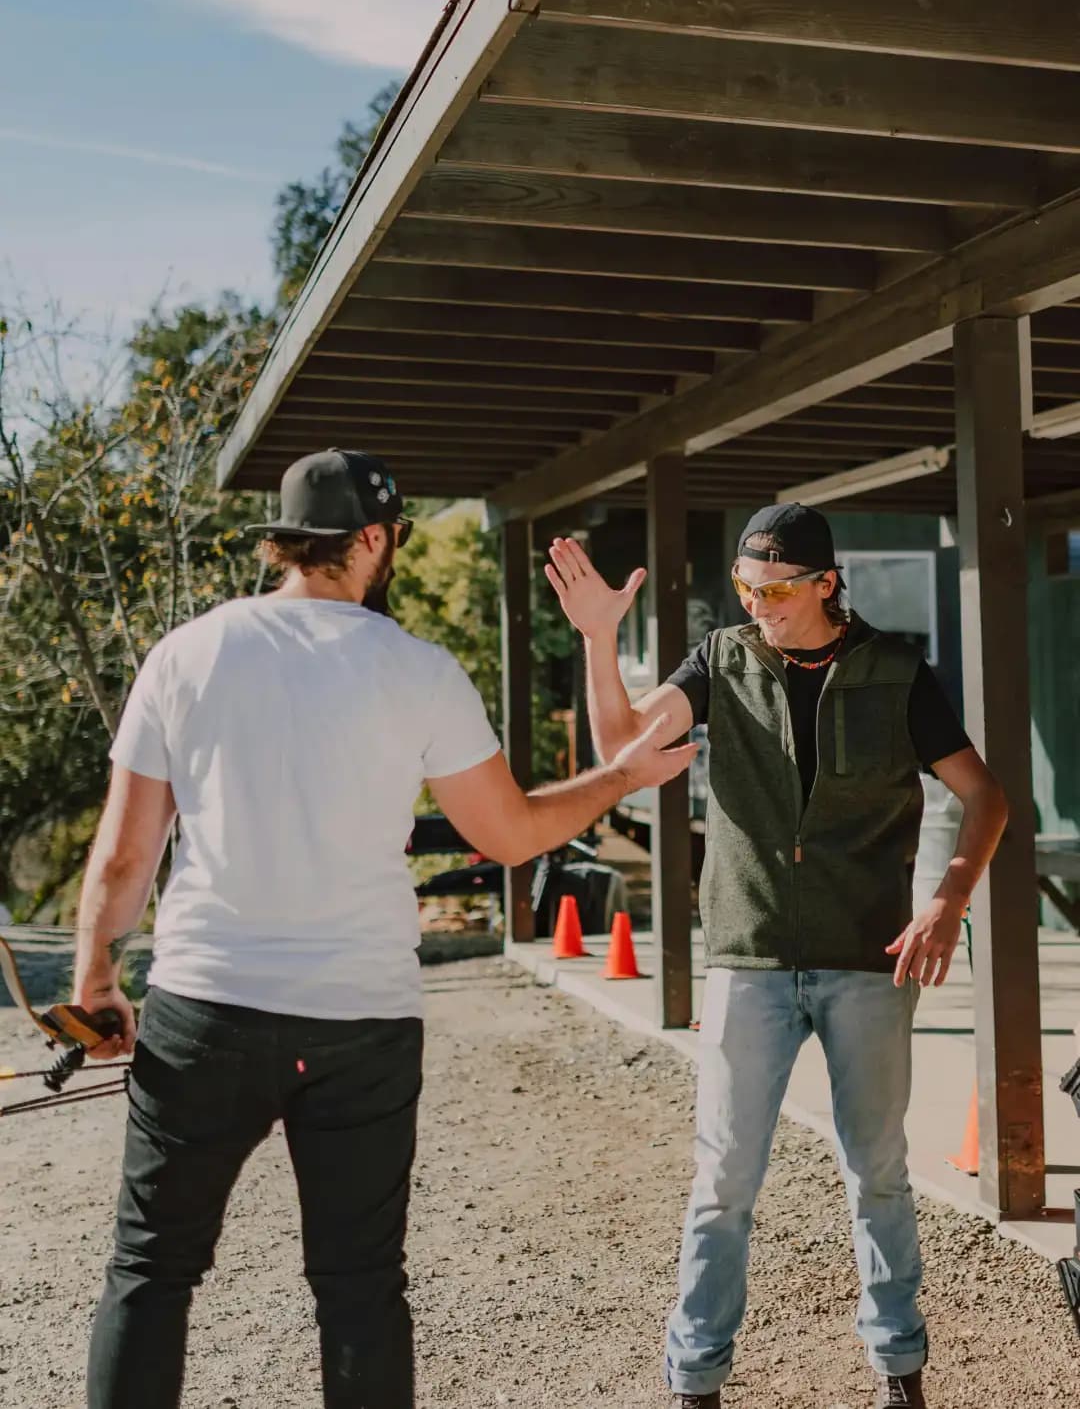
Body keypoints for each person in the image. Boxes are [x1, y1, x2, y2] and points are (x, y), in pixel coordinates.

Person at [75, 447, 695, 1409]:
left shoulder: (186, 653)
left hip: (205, 1007)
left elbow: (123, 858)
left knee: (150, 1272)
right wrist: (622, 778)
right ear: (369, 538)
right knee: (359, 1289)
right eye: (394, 535)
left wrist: (96, 982)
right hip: (360, 1022)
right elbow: (512, 832)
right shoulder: (417, 669)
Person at [545, 503, 1008, 1409]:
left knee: (877, 1173)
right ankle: (696, 1379)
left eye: (779, 590)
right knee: (723, 1179)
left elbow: (985, 797)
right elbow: (622, 750)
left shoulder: (897, 673)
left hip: (867, 959)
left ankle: (900, 1370)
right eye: (747, 589)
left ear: (827, 583)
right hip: (747, 957)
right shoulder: (722, 659)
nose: (759, 606)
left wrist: (947, 902)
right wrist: (600, 641)